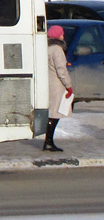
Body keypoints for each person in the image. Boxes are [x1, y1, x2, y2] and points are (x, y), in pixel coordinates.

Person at [45, 24, 74, 152]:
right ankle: (49, 142)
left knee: (52, 114)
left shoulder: (47, 48)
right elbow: (61, 69)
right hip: (57, 86)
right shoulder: (57, 49)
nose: (63, 35)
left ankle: (48, 141)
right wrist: (69, 86)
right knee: (55, 114)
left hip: (48, 83)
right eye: (62, 33)